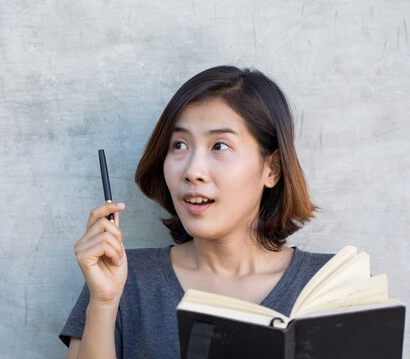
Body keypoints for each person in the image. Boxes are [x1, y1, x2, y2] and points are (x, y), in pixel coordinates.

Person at [59, 66, 333, 359]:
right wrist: (104, 303)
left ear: (272, 168)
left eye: (219, 145)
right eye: (179, 145)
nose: (192, 171)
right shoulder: (122, 278)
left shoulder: (332, 284)